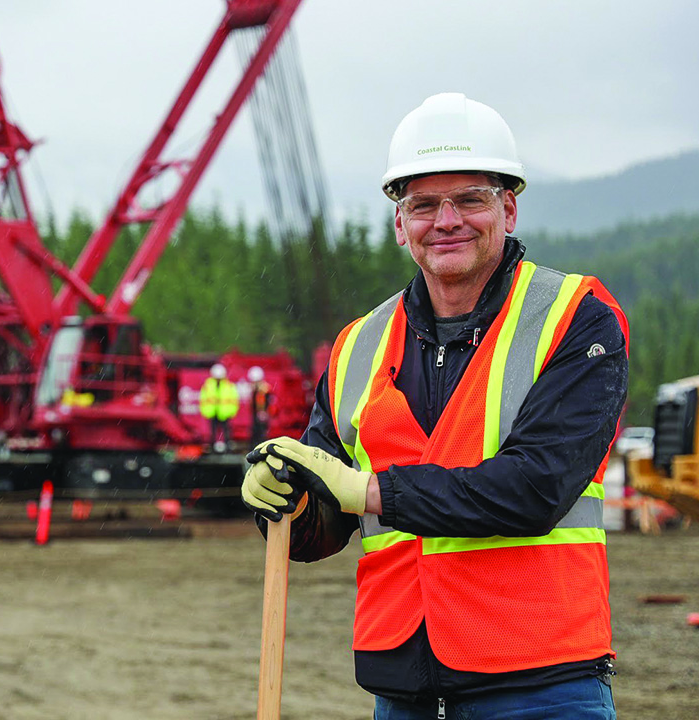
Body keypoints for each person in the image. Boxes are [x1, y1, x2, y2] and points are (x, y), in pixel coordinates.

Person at [242, 93, 628, 718]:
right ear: (400, 223)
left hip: (539, 686)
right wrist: (281, 497)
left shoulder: (574, 318)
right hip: (402, 688)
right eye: (423, 203)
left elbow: (534, 489)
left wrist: (366, 490)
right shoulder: (358, 346)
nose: (446, 219)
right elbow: (322, 525)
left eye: (470, 198)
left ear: (508, 206)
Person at [199, 362, 238, 451]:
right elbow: (203, 399)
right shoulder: (208, 385)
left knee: (226, 431)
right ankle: (213, 447)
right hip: (213, 412)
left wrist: (231, 411)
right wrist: (206, 411)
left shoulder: (228, 385)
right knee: (213, 432)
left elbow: (233, 399)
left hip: (224, 412)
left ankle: (227, 447)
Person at [246, 366, 273, 443]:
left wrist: (264, 412)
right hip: (256, 414)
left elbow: (266, 402)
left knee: (261, 433)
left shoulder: (264, 390)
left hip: (262, 414)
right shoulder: (255, 390)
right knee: (255, 432)